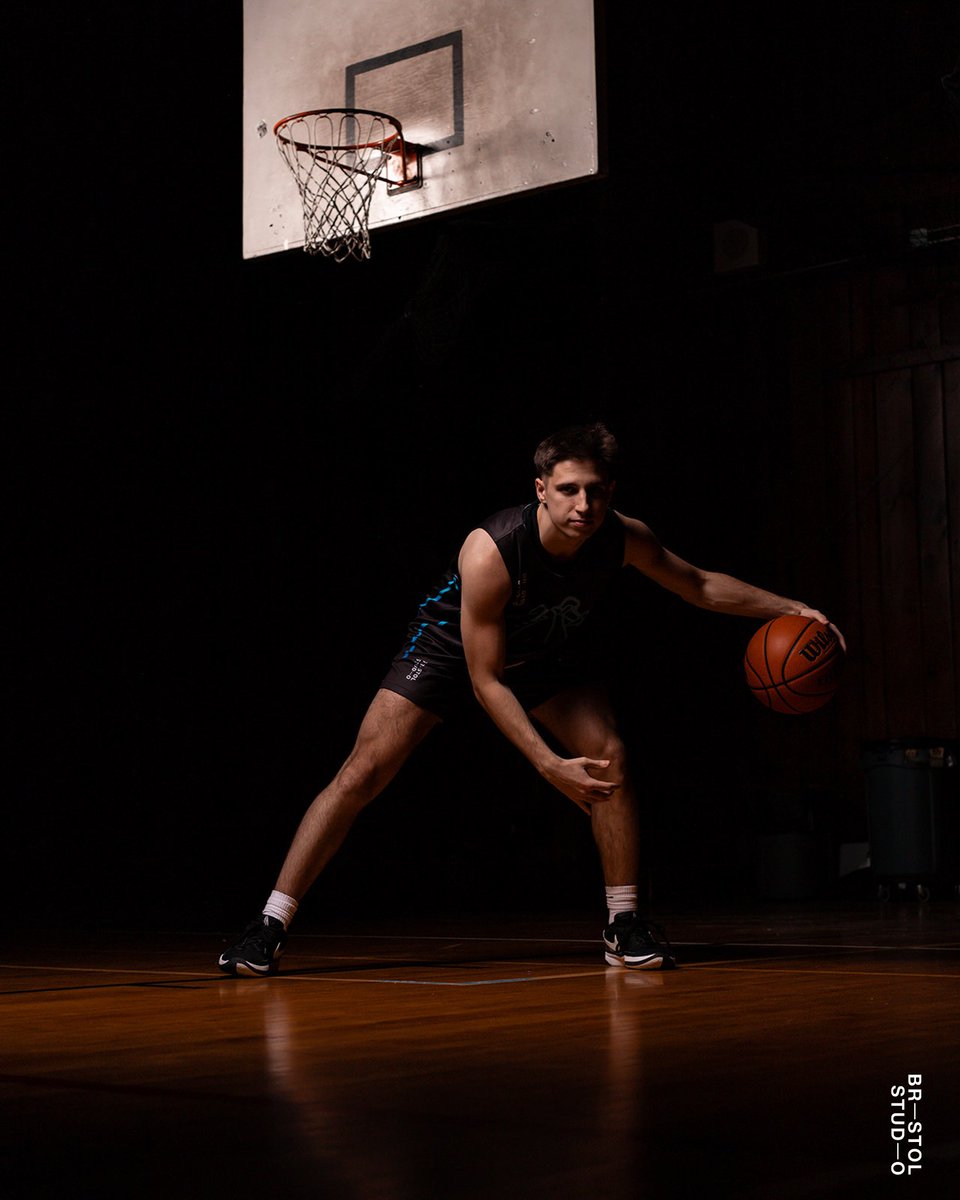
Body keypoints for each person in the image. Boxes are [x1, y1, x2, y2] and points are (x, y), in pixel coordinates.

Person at [218, 422, 840, 976]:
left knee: (609, 754)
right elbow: (486, 679)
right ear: (540, 488)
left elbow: (699, 584)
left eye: (595, 489)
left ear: (611, 491)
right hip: (450, 650)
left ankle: (624, 923)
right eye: (568, 489)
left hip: (539, 653)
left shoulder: (621, 538)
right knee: (363, 771)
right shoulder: (493, 548)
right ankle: (268, 925)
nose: (584, 503)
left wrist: (794, 608)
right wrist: (546, 764)